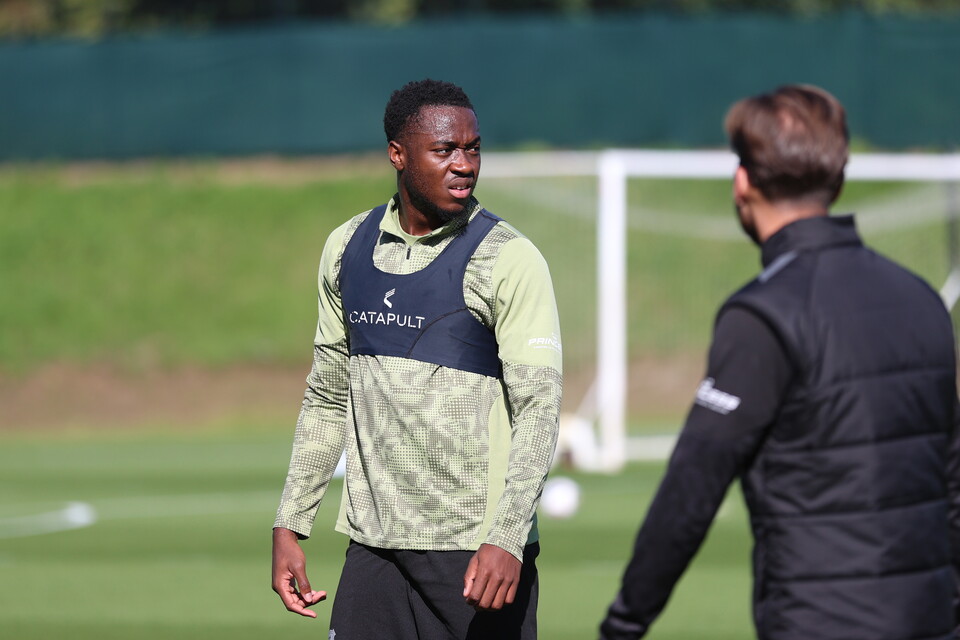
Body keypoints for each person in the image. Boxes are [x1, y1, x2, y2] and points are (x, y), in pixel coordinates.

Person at [599, 85, 960, 640]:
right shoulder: (922, 299)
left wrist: (625, 621)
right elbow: (952, 476)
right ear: (836, 180)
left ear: (743, 181)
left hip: (820, 623)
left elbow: (693, 488)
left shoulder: (762, 316)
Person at [271, 78, 562, 639]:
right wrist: (292, 522)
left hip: (475, 557)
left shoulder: (510, 258)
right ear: (398, 155)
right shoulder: (347, 248)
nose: (464, 164)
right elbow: (329, 394)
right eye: (445, 149)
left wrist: (505, 536)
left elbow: (539, 412)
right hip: (374, 552)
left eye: (473, 148)